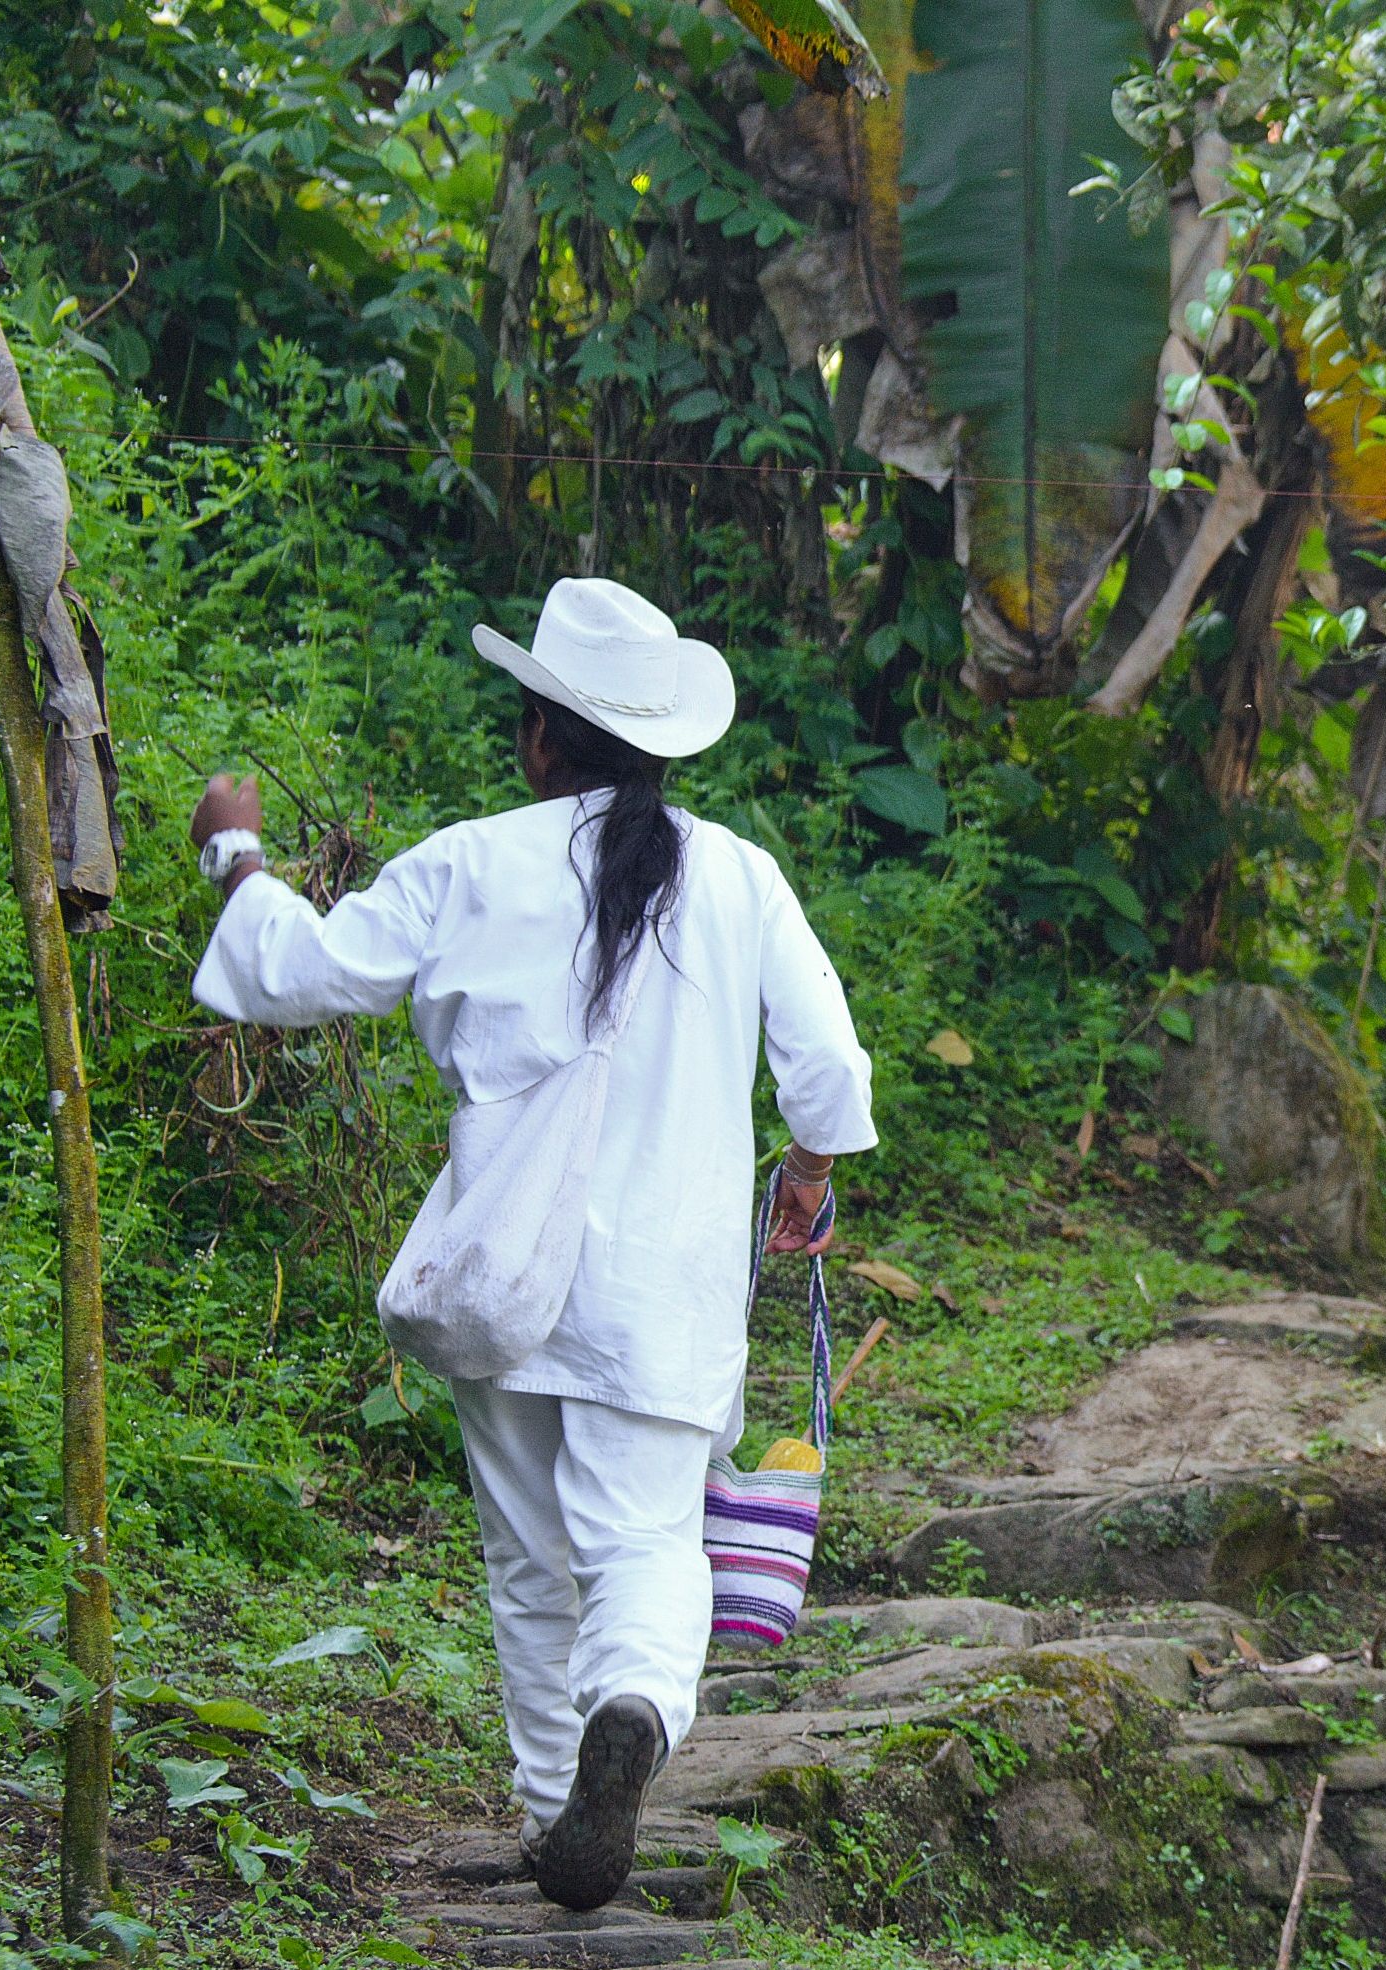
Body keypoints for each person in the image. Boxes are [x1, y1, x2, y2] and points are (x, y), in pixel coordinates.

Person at [186, 577, 875, 1910]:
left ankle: (552, 1804)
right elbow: (829, 1068)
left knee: (528, 1557)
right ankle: (630, 1714)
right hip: (666, 1294)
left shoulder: (470, 862)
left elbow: (298, 977)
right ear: (663, 743)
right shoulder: (740, 879)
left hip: (509, 1281)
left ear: (538, 736)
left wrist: (238, 855)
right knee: (646, 1544)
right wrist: (802, 1173)